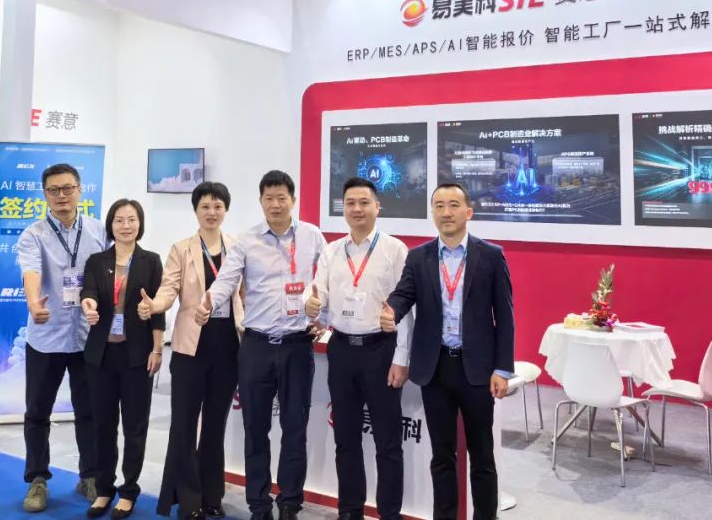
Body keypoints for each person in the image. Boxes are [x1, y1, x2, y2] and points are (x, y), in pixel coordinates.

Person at [196, 170, 326, 520]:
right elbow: (226, 280)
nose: (276, 204)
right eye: (269, 198)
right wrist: (209, 301)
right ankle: (259, 504)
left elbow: (327, 281)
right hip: (256, 347)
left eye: (282, 197)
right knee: (255, 429)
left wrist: (324, 315)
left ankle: (290, 504)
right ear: (260, 202)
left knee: (295, 428)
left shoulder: (312, 236)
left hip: (297, 345)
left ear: (293, 200)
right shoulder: (247, 240)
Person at [380, 183, 515, 520]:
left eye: (453, 205)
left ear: (468, 212)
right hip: (436, 368)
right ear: (432, 213)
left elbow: (505, 316)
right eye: (439, 206)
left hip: (477, 369)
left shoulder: (490, 256)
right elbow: (404, 294)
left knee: (482, 456)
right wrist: (392, 311)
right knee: (442, 455)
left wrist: (502, 369)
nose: (446, 212)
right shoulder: (419, 256)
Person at [306, 177, 413, 520]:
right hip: (341, 350)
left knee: (388, 442)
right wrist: (313, 307)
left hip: (381, 351)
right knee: (346, 439)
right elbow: (319, 298)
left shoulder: (395, 250)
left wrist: (401, 358)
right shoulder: (331, 251)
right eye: (350, 203)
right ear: (343, 208)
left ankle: (389, 514)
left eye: (364, 202)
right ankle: (349, 511)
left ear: (377, 207)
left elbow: (406, 308)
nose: (357, 209)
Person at [148, 182, 245, 520]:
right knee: (185, 424)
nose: (211, 212)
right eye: (205, 206)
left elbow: (244, 294)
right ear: (195, 210)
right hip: (191, 347)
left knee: (216, 424)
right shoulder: (182, 249)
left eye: (217, 206)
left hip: (228, 346)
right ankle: (189, 500)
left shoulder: (237, 247)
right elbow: (168, 289)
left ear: (226, 210)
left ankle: (212, 495)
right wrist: (155, 305)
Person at [16, 162, 104, 513]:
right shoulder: (33, 235)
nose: (61, 196)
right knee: (38, 412)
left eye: (67, 188)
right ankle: (37, 479)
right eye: (54, 190)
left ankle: (90, 476)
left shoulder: (98, 231)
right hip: (46, 336)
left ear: (80, 190)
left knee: (89, 411)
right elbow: (31, 270)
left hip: (86, 336)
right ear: (45, 195)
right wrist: (33, 301)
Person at [80, 199, 166, 519]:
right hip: (101, 356)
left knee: (134, 426)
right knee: (103, 425)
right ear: (111, 225)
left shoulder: (151, 261)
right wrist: (89, 306)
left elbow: (157, 310)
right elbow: (88, 292)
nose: (125, 225)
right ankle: (104, 488)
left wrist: (157, 349)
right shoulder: (97, 260)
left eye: (131, 219)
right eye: (119, 220)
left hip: (137, 356)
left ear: (140, 224)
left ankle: (129, 490)